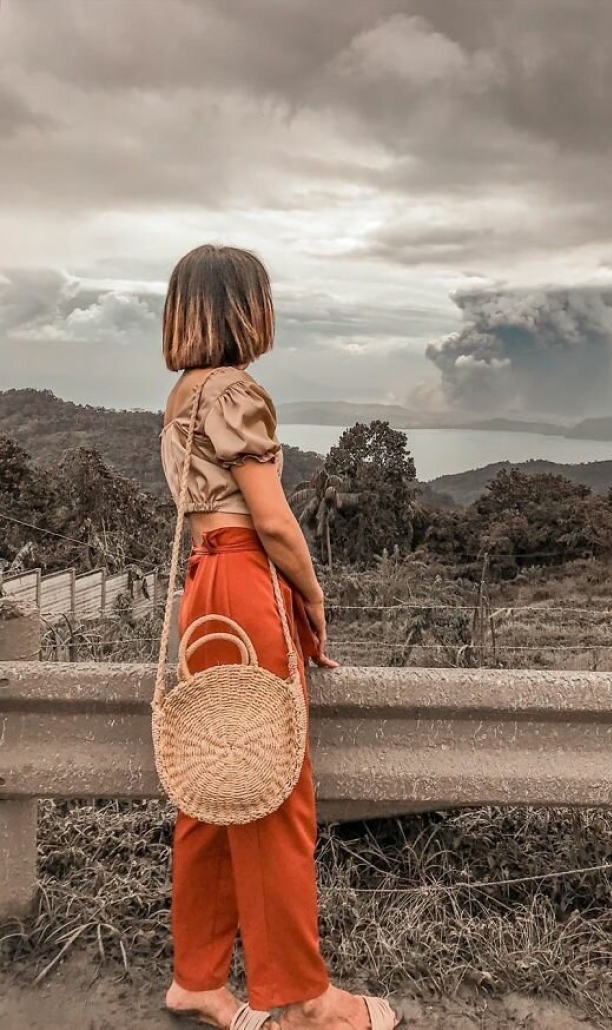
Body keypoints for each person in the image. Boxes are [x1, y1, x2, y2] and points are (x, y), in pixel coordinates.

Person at [158, 244, 400, 1030]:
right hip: (245, 579)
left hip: (204, 584)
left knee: (213, 778)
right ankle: (300, 1000)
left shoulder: (183, 393)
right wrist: (312, 595)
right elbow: (271, 519)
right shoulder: (235, 390)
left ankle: (197, 978)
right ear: (245, 309)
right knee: (273, 789)